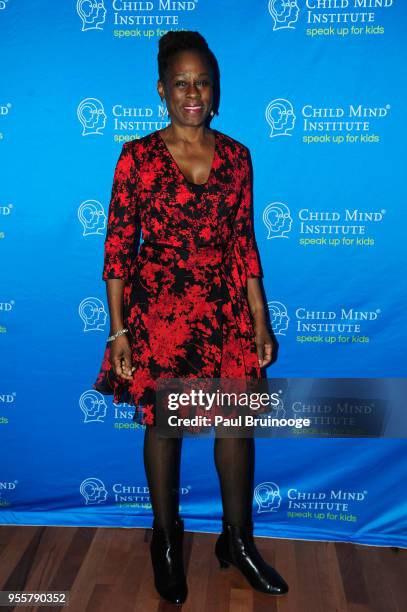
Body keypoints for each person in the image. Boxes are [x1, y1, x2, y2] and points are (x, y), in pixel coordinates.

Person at [93, 30, 289, 605]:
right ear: (162, 89)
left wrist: (259, 319)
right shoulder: (137, 157)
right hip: (160, 315)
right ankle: (168, 541)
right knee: (165, 427)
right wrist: (120, 328)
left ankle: (238, 542)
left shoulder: (237, 157)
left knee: (236, 427)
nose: (193, 91)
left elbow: (244, 244)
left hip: (226, 311)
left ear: (216, 88)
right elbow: (117, 249)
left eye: (202, 80)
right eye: (181, 82)